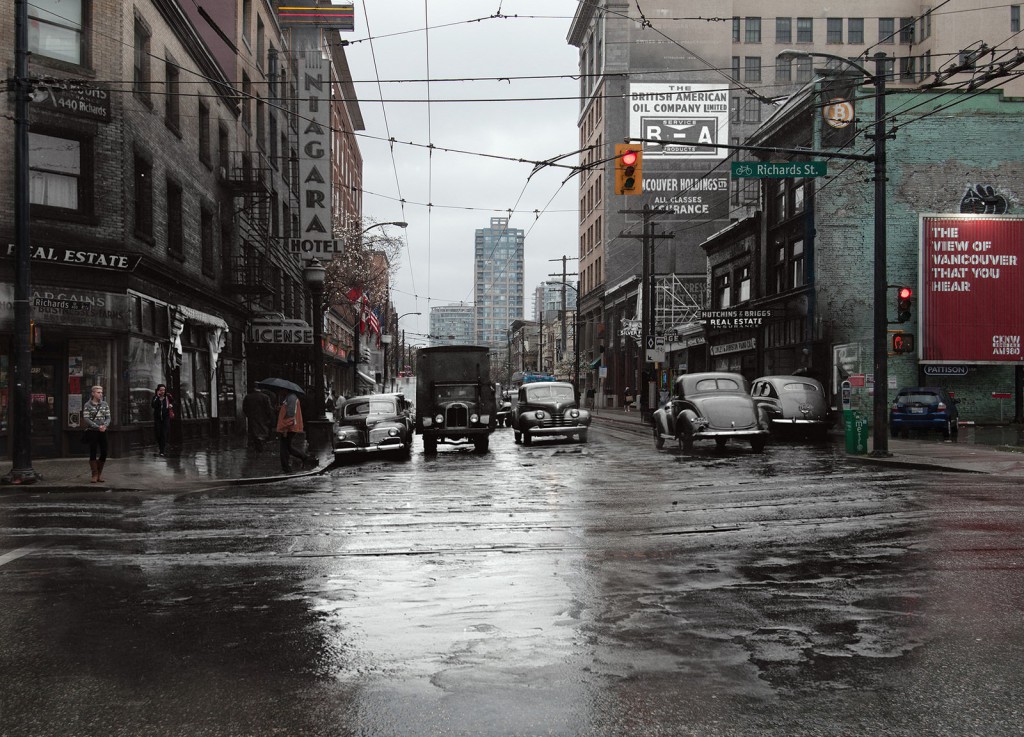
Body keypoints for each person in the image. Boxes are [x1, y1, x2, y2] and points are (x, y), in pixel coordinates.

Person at [276, 388, 310, 472]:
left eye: (281, 390)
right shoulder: (289, 398)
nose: (280, 392)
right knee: (287, 447)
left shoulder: (291, 398)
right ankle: (302, 457)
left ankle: (287, 467)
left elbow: (290, 415)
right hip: (289, 427)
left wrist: (285, 429)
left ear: (285, 390)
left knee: (284, 448)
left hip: (289, 428)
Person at [82, 385, 111, 483]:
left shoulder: (105, 404)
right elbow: (86, 418)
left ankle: (99, 473)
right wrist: (97, 426)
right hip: (92, 431)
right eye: (98, 392)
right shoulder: (87, 405)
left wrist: (105, 425)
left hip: (103, 431)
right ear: (93, 393)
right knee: (93, 452)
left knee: (104, 452)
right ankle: (94, 474)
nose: (100, 394)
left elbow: (108, 417)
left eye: (101, 392)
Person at [242, 385, 275, 451]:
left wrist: (248, 415)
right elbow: (269, 409)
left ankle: (257, 444)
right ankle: (260, 444)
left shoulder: (248, 397)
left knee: (254, 431)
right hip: (263, 417)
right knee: (262, 431)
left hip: (252, 417)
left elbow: (244, 408)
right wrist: (270, 417)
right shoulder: (265, 397)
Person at [151, 384, 173, 456]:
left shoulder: (168, 397)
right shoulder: (155, 397)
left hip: (165, 418)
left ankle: (162, 451)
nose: (162, 391)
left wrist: (171, 405)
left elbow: (174, 402)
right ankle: (161, 447)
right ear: (158, 390)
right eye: (161, 390)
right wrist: (157, 397)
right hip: (157, 418)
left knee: (163, 434)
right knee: (158, 433)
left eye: (163, 390)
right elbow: (153, 405)